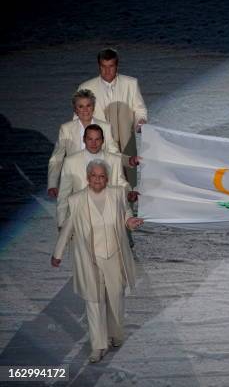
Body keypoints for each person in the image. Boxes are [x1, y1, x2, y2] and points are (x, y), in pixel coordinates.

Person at [51, 159, 144, 363]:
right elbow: (68, 227)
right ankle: (97, 346)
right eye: (94, 176)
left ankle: (116, 334)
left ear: (107, 178)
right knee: (94, 302)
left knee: (115, 299)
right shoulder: (76, 200)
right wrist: (57, 253)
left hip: (114, 257)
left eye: (102, 176)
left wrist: (130, 222)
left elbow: (126, 214)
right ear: (88, 177)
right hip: (90, 260)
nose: (98, 180)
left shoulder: (117, 194)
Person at [78, 48, 147, 187]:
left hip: (126, 140)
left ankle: (130, 207)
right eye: (103, 67)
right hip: (100, 142)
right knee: (103, 180)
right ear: (99, 66)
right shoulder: (86, 87)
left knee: (129, 180)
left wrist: (141, 121)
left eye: (111, 66)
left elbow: (139, 108)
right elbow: (78, 117)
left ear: (117, 66)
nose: (107, 71)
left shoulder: (131, 83)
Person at [47, 89, 123, 198]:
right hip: (76, 184)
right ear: (75, 109)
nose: (85, 110)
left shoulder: (105, 127)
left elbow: (114, 154)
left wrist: (128, 161)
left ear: (93, 107)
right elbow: (57, 158)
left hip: (100, 183)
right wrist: (52, 184)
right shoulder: (66, 129)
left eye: (88, 105)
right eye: (81, 106)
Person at [57, 125, 136, 228]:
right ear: (84, 140)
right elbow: (63, 195)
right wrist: (62, 223)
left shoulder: (115, 160)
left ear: (103, 140)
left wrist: (128, 192)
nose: (93, 143)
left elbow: (121, 183)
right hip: (81, 221)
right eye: (90, 139)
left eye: (97, 139)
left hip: (108, 219)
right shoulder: (70, 162)